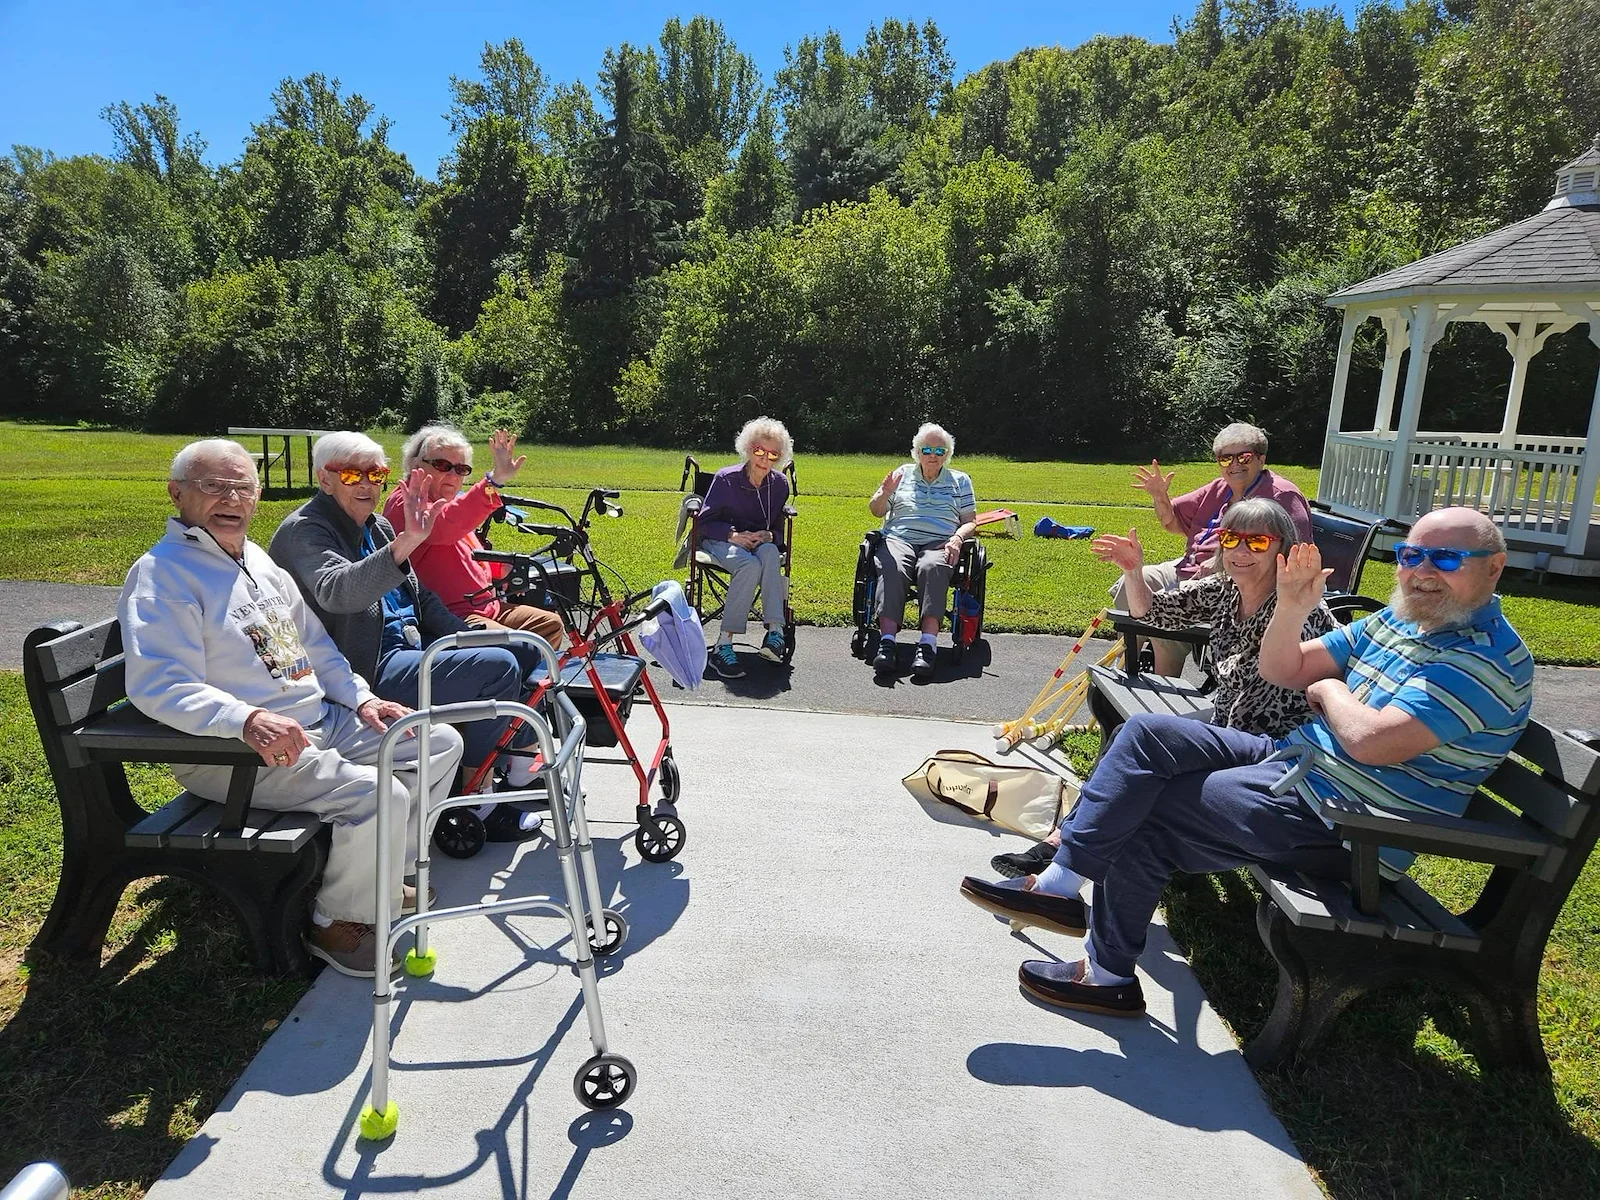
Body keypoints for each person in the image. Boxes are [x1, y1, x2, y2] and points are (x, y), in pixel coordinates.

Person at [960, 506, 1532, 1018]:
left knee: (1149, 807)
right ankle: (1062, 887)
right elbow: (1283, 669)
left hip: (1352, 824)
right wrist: (1293, 606)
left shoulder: (1483, 663)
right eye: (1411, 554)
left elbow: (1370, 743)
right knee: (1147, 736)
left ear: (1494, 567)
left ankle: (1105, 972)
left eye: (1446, 558)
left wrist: (1332, 693)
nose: (1422, 570)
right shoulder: (1398, 621)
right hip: (1300, 766)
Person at [119, 439, 465, 978]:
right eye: (214, 486)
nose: (232, 498)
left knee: (438, 743)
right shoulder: (165, 575)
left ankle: (387, 878)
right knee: (379, 795)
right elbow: (157, 683)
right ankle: (336, 923)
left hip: (316, 722)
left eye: (244, 487)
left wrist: (363, 698)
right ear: (177, 494)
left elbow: (316, 646)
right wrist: (247, 719)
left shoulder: (255, 558)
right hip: (232, 751)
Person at [992, 498, 1340, 881]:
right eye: (1230, 538)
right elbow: (1152, 611)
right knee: (1130, 736)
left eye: (1256, 542)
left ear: (1282, 550)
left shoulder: (1295, 610)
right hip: (1228, 724)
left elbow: (1272, 700)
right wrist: (1133, 570)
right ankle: (1065, 845)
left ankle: (1066, 862)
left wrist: (1195, 743)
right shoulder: (1227, 590)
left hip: (1274, 750)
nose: (1240, 551)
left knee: (1146, 754)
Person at [268, 431, 543, 845]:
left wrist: (465, 635)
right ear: (324, 478)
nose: (366, 484)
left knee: (518, 648)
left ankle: (502, 761)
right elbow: (337, 592)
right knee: (498, 667)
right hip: (364, 670)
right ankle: (475, 797)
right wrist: (407, 542)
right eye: (350, 474)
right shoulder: (306, 531)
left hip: (411, 648)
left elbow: (421, 596)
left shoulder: (374, 525)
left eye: (374, 474)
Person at [1126, 422, 1313, 677]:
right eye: (1226, 459)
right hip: (1189, 567)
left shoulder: (1282, 496)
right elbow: (1171, 521)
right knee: (1133, 582)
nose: (1234, 465)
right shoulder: (1218, 488)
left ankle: (1163, 684)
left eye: (1243, 456)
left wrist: (1220, 563)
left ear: (1261, 459)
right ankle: (1130, 669)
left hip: (1235, 579)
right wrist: (1160, 496)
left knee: (1167, 617)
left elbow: (1295, 550)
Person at [382, 424, 565, 646]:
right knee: (519, 646)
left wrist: (499, 568)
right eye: (442, 465)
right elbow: (444, 528)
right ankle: (506, 678)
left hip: (486, 606)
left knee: (550, 625)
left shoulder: (444, 502)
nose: (452, 474)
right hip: (449, 615)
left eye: (460, 469)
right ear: (414, 465)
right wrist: (494, 481)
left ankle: (522, 680)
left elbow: (464, 551)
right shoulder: (406, 501)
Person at [866, 423, 977, 681]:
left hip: (940, 541)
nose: (932, 455)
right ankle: (887, 643)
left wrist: (957, 539)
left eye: (939, 450)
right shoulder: (902, 474)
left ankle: (927, 646)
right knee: (892, 566)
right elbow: (876, 510)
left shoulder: (960, 481)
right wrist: (885, 492)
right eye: (926, 449)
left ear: (947, 454)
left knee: (933, 567)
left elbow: (971, 520)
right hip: (899, 538)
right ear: (917, 451)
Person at [697, 416, 794, 679]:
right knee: (749, 565)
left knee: (771, 552)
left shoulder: (779, 484)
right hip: (720, 540)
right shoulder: (726, 478)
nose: (765, 458)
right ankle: (723, 644)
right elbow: (703, 523)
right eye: (759, 450)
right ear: (748, 448)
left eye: (773, 454)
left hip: (757, 544)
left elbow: (777, 527)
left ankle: (775, 632)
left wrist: (769, 535)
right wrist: (732, 535)